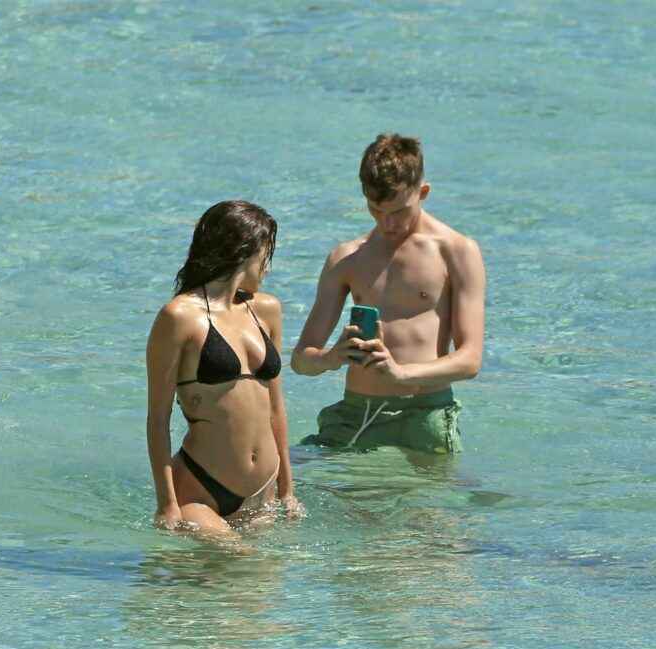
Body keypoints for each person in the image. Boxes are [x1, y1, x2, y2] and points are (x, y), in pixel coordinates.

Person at [292, 133, 486, 455]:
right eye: (376, 210)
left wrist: (401, 374)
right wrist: (331, 358)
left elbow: (470, 360)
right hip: (357, 413)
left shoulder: (457, 252)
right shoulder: (347, 258)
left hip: (425, 413)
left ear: (423, 192)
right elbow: (300, 360)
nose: (387, 223)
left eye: (398, 211)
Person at [146, 200, 300, 537]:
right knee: (239, 559)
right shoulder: (179, 317)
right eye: (266, 254)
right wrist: (166, 504)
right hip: (201, 490)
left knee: (259, 573)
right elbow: (158, 418)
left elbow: (275, 407)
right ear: (246, 252)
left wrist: (287, 489)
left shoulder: (267, 310)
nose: (267, 267)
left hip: (263, 493)